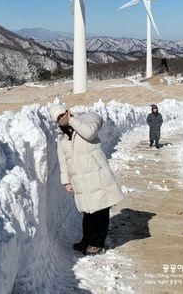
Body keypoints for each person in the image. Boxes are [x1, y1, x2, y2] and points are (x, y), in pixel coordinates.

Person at [49, 103, 124, 256]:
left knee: (100, 210)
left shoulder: (88, 120)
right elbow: (63, 159)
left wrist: (72, 121)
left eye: (62, 115)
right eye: (58, 118)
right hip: (80, 178)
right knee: (88, 212)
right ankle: (86, 240)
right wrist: (66, 181)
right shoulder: (61, 136)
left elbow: (89, 133)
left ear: (68, 111)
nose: (61, 119)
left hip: (97, 174)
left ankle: (97, 243)